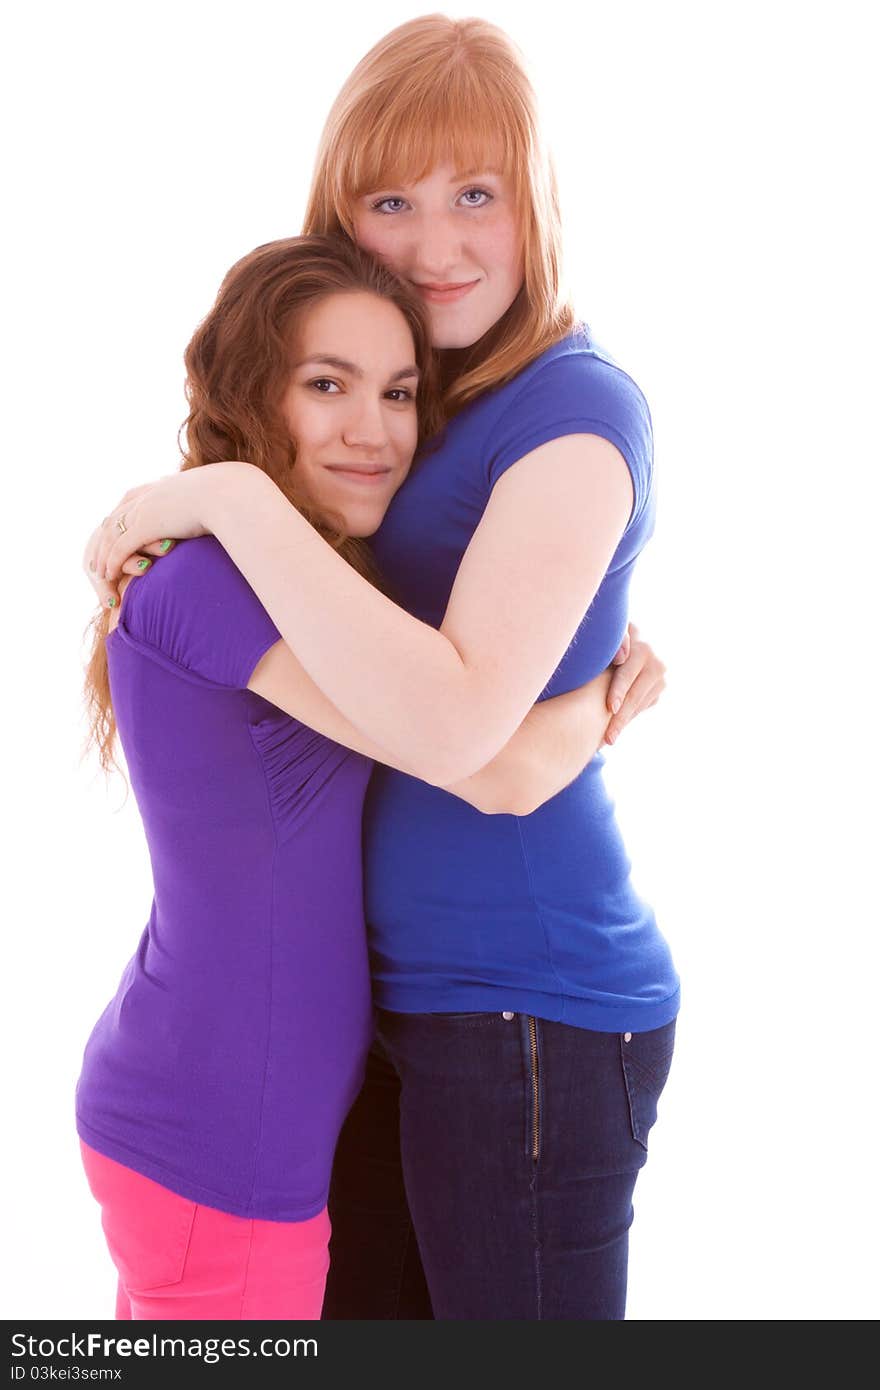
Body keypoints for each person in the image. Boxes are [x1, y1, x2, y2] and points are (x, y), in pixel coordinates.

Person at [85, 15, 677, 1320]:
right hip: (378, 1026)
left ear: (538, 203)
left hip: (524, 1005)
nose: (435, 241)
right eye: (392, 198)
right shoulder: (425, 393)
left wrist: (226, 495)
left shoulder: (573, 412)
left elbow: (475, 732)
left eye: (478, 193)